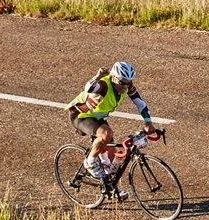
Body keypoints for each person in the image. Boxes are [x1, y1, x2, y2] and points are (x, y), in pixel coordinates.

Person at [65, 61, 158, 199]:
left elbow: (140, 103)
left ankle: (110, 187)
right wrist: (98, 75)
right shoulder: (103, 86)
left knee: (116, 157)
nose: (125, 86)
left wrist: (148, 122)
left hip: (98, 118)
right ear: (114, 78)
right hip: (81, 116)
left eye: (128, 82)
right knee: (106, 134)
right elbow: (89, 88)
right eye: (122, 82)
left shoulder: (127, 86)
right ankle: (90, 161)